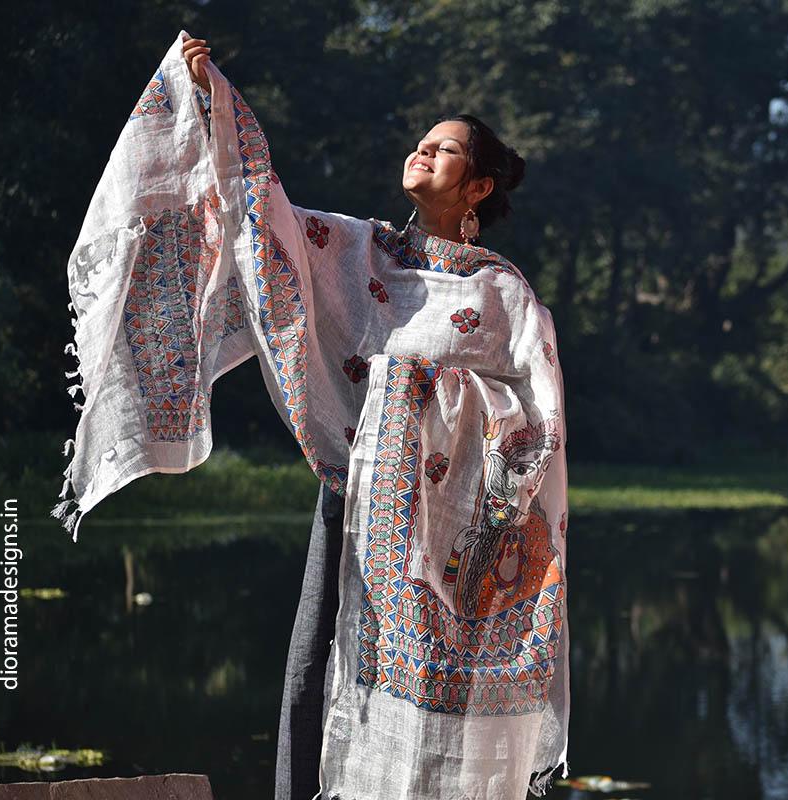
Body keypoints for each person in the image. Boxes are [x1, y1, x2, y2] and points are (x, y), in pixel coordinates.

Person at [179, 35, 562, 800]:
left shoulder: (502, 296)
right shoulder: (362, 254)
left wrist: (427, 396)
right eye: (421, 143)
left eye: (445, 149)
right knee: (313, 670)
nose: (423, 153)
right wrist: (211, 100)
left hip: (456, 536)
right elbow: (268, 223)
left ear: (477, 188)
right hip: (353, 495)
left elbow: (536, 420)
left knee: (431, 695)